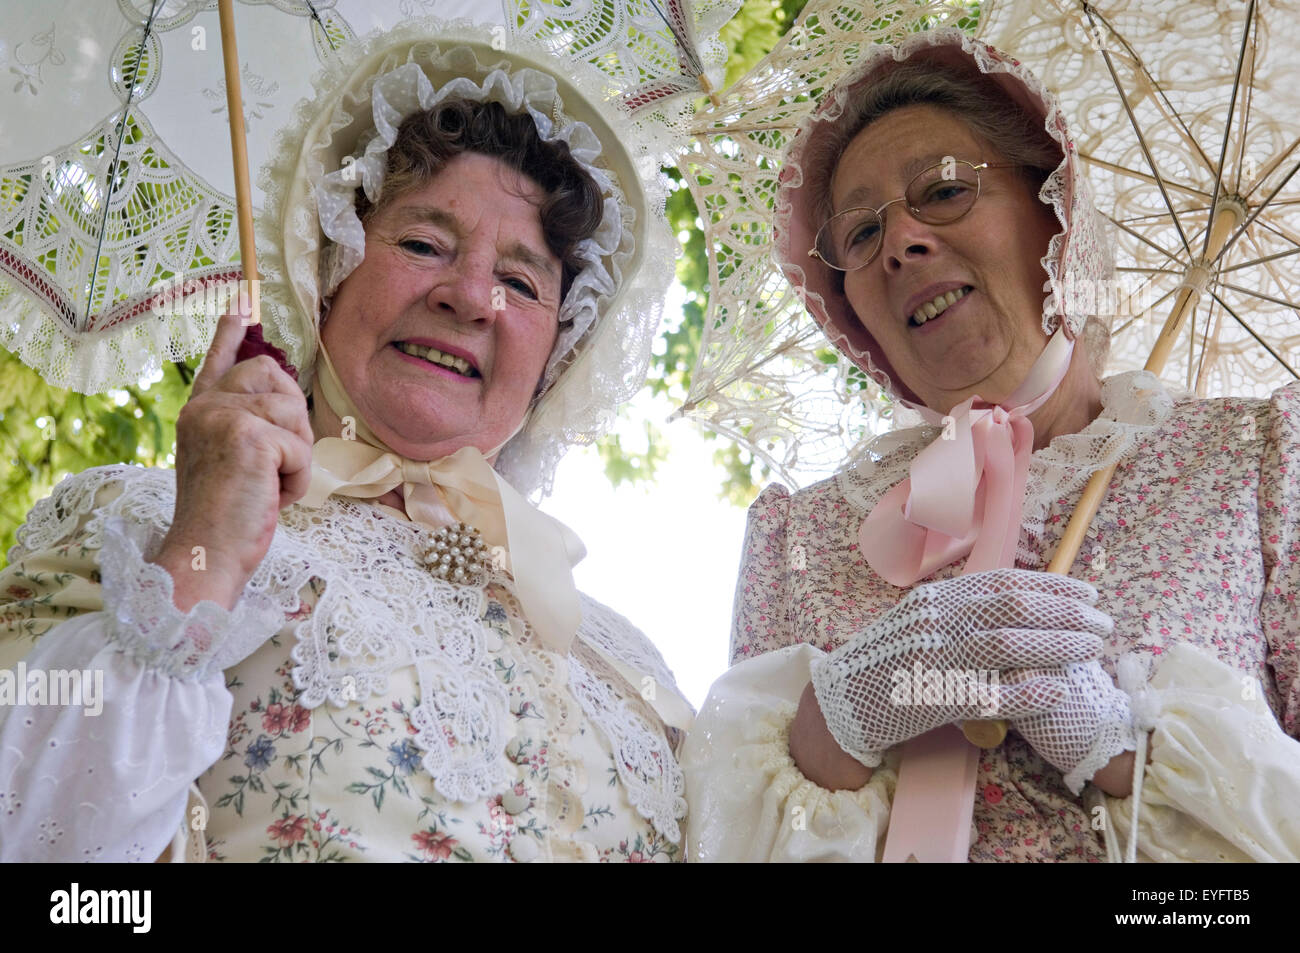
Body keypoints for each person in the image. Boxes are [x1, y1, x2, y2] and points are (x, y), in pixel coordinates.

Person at [0, 22, 689, 862]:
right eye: (423, 243)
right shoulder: (138, 529)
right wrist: (203, 553)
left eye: (520, 280)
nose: (471, 296)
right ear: (324, 272)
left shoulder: (622, 660)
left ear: (558, 353)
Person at [683, 29, 1300, 862]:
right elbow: (724, 844)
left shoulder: (1256, 459)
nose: (899, 240)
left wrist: (1128, 755)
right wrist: (844, 714)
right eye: (861, 237)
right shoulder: (801, 536)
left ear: (1056, 214)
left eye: (941, 191)